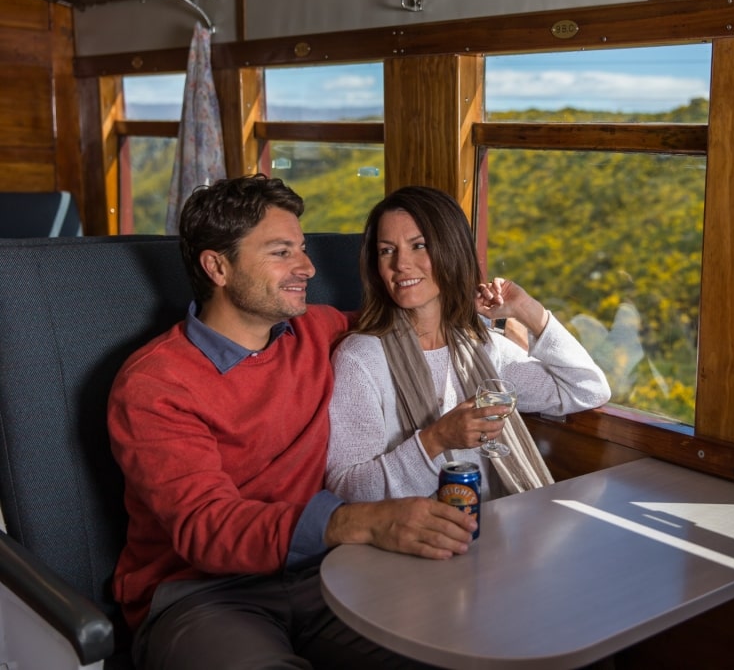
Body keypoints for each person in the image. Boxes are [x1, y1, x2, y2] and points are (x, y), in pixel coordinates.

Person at [107, 175, 475, 670]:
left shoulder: (316, 330)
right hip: (203, 595)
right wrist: (359, 521)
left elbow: (412, 317)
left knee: (455, 650)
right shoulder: (156, 384)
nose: (308, 266)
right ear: (217, 266)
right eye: (282, 252)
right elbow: (207, 527)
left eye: (301, 249)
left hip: (326, 572)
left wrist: (503, 313)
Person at [325, 185, 611, 503]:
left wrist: (527, 310)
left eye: (419, 245)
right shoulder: (361, 359)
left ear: (452, 250)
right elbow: (349, 488)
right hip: (414, 540)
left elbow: (587, 390)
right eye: (386, 250)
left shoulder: (482, 348)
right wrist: (436, 439)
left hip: (497, 529)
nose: (401, 264)